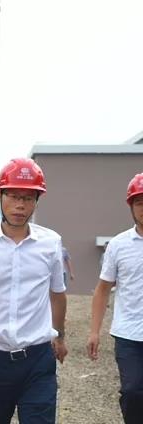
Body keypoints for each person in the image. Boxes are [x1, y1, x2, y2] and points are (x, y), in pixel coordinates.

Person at [0, 158, 68, 424]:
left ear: (37, 200)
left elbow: (57, 294)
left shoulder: (50, 243)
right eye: (13, 196)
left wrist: (59, 336)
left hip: (37, 359)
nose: (20, 205)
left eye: (28, 198)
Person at [87, 172, 143, 424]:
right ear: (130, 206)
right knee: (132, 392)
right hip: (129, 334)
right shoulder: (119, 245)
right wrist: (94, 331)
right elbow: (102, 289)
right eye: (139, 202)